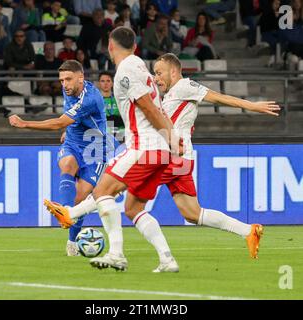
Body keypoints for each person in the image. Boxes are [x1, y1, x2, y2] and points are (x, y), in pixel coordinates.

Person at [44, 53, 281, 265]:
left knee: (114, 190)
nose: (156, 79)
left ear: (174, 71)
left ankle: (72, 215)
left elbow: (217, 98)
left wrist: (253, 106)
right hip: (179, 158)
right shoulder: (167, 97)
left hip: (169, 155)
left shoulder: (185, 85)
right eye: (154, 74)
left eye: (159, 73)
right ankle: (249, 231)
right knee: (192, 213)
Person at [46, 27, 183, 273]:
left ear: (110, 45)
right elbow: (157, 107)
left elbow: (149, 109)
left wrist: (171, 136)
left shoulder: (126, 71)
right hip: (158, 147)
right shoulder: (141, 66)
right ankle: (167, 259)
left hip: (144, 146)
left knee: (102, 191)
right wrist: (172, 136)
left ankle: (113, 252)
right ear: (135, 46)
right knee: (132, 208)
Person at [9, 60, 109, 256]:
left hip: (95, 150)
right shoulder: (69, 90)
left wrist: (24, 124)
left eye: (68, 79)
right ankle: (65, 212)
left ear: (81, 78)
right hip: (72, 143)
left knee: (80, 199)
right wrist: (68, 128)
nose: (64, 84)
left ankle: (72, 239)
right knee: (68, 164)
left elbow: (59, 122)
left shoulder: (90, 98)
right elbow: (69, 118)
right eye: (62, 80)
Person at [98, 71, 124, 136]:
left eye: (108, 81)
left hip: (120, 133)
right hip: (103, 133)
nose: (105, 84)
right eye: (102, 81)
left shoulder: (119, 99)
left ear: (112, 83)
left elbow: (124, 118)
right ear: (99, 84)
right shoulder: (95, 100)